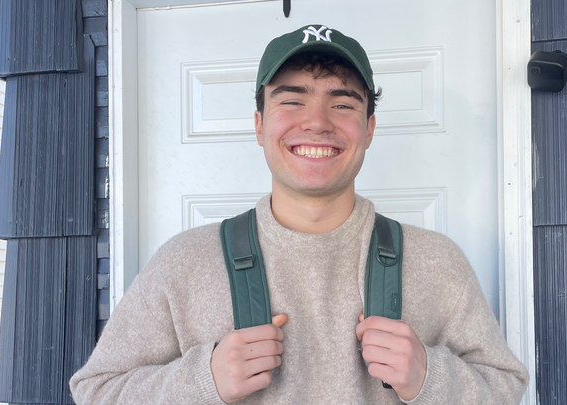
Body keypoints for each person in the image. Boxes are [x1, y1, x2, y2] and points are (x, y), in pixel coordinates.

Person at [70, 24, 529, 404]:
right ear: (259, 125)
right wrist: (203, 380)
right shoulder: (183, 263)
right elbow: (96, 391)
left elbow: (506, 387)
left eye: (342, 103)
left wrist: (431, 377)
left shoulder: (438, 262)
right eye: (291, 100)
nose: (317, 121)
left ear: (369, 129)